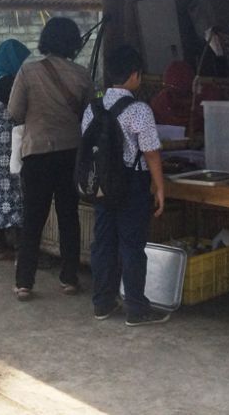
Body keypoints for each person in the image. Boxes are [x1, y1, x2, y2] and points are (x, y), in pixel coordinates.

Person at [7, 17, 95, 301]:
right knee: (69, 216)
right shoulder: (82, 75)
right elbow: (89, 116)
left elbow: (15, 113)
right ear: (74, 42)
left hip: (37, 154)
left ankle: (24, 283)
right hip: (71, 154)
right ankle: (69, 278)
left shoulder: (28, 71)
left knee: (33, 218)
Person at [86, 45, 168, 326]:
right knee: (132, 245)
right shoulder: (139, 110)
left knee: (103, 243)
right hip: (132, 183)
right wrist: (160, 187)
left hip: (101, 185)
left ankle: (102, 303)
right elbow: (151, 152)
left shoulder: (92, 108)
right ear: (134, 75)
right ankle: (136, 308)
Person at [0, 39, 31, 261]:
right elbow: (19, 110)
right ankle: (20, 247)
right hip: (8, 149)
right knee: (15, 194)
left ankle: (0, 247)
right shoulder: (8, 82)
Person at [149, 60, 220, 136]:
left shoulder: (206, 99)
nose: (176, 95)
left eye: (179, 91)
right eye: (170, 89)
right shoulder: (160, 102)